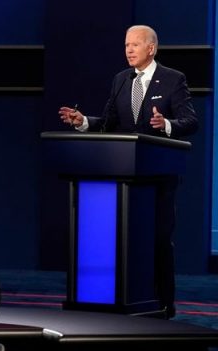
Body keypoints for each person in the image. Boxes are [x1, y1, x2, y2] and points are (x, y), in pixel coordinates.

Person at [58, 25, 197, 318]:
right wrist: (84, 121)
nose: (129, 50)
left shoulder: (173, 79)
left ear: (151, 48)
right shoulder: (121, 80)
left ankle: (164, 304)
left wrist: (166, 125)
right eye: (126, 45)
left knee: (159, 240)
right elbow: (109, 122)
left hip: (158, 177)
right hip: (124, 178)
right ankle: (128, 299)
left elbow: (190, 121)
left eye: (135, 44)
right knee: (125, 240)